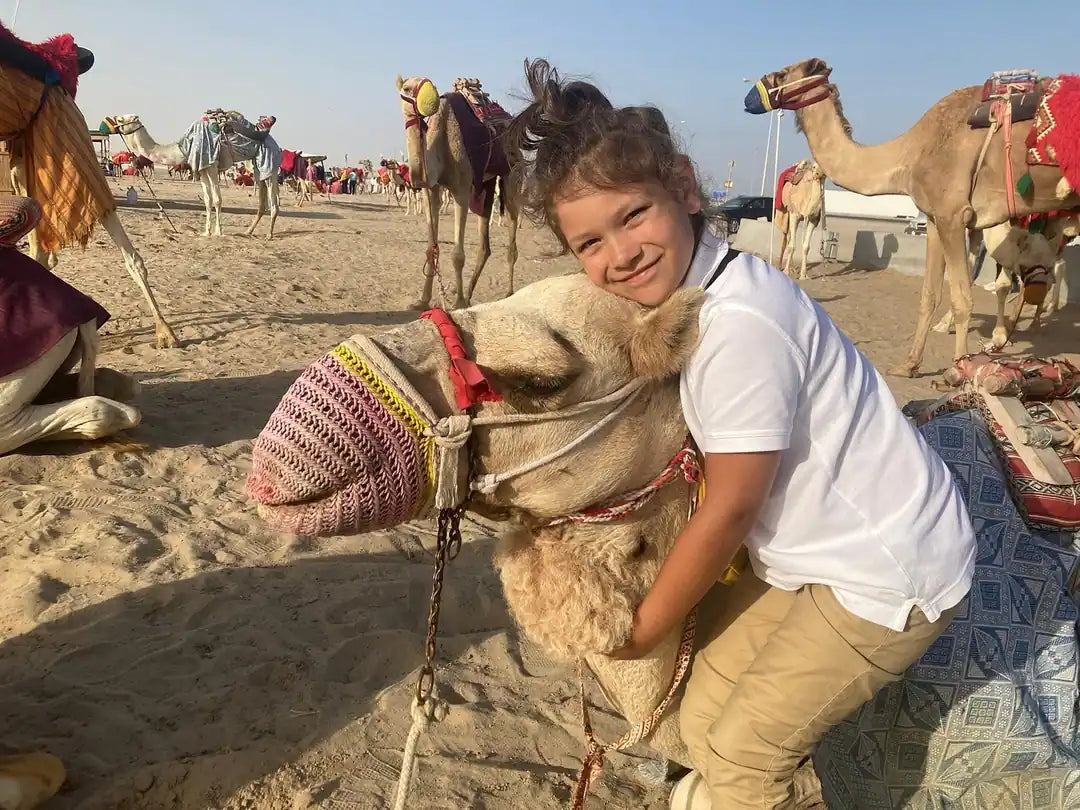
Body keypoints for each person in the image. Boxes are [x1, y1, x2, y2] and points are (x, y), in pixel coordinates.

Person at [506, 59, 977, 809]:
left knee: (740, 753)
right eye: (590, 244)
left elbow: (728, 508)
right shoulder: (702, 292)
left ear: (684, 188)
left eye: (633, 216)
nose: (620, 254)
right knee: (696, 716)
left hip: (883, 571)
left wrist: (641, 632)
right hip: (802, 554)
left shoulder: (740, 327)